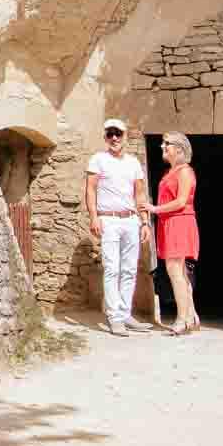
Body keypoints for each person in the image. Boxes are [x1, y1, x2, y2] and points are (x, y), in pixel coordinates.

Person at [85, 118, 152, 336]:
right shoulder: (98, 160)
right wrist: (94, 217)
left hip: (130, 219)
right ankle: (114, 317)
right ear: (105, 137)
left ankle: (125, 314)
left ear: (125, 136)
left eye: (118, 134)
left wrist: (144, 221)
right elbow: (91, 190)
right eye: (109, 134)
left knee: (129, 269)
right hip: (109, 219)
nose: (114, 138)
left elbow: (139, 194)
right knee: (112, 268)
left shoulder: (133, 163)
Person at [150, 132, 202, 336]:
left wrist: (154, 209)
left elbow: (181, 201)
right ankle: (191, 316)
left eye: (167, 144)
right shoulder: (170, 172)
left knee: (175, 272)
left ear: (179, 149)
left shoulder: (185, 172)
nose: (163, 147)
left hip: (179, 222)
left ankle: (182, 319)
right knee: (180, 272)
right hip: (169, 222)